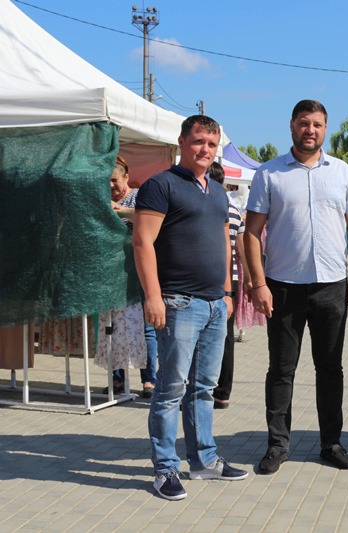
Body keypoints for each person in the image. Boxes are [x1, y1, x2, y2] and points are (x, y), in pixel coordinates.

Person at [244, 100, 348, 475]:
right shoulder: (269, 174)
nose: (309, 130)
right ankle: (277, 445)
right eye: (303, 123)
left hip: (331, 285)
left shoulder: (343, 172)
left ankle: (331, 443)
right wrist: (258, 283)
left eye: (316, 124)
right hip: (283, 287)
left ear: (325, 129)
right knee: (281, 370)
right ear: (291, 126)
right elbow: (251, 232)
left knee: (330, 369)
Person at [133, 115, 248, 501]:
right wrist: (153, 296)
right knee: (170, 389)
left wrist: (228, 292)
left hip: (215, 304)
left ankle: (203, 460)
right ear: (182, 142)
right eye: (199, 141)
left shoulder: (217, 192)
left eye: (212, 144)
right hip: (178, 302)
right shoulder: (161, 185)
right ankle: (165, 469)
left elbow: (226, 243)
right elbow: (142, 242)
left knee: (203, 388)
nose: (205, 149)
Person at [107, 155, 157, 398]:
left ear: (126, 177)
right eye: (106, 181)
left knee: (146, 326)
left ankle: (149, 380)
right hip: (113, 272)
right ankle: (117, 379)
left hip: (138, 271)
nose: (111, 186)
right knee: (113, 326)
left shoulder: (138, 197)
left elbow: (147, 218)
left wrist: (121, 211)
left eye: (114, 180)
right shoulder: (103, 200)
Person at [208, 162, 246, 409]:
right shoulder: (234, 209)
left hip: (205, 278)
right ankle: (222, 392)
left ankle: (197, 389)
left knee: (200, 336)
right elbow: (242, 247)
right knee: (226, 337)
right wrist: (250, 279)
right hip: (231, 279)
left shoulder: (206, 204)